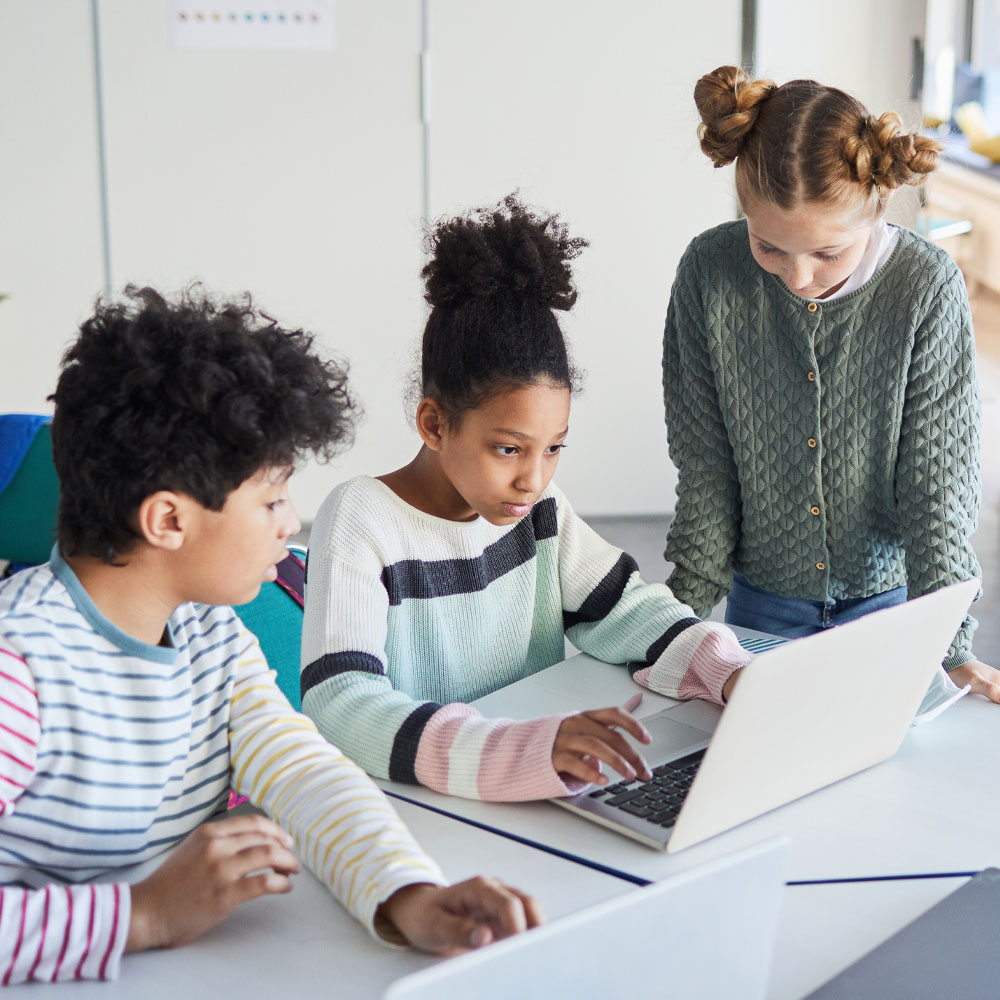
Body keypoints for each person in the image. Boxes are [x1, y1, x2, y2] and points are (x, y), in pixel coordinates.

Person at [0, 287, 540, 985]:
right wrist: (141, 915)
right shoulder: (20, 672)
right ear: (169, 521)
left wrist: (409, 895)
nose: (291, 524)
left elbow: (302, 772)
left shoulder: (208, 634)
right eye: (271, 499)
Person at [301, 195, 752, 803]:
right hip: (423, 806)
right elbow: (340, 703)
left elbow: (623, 608)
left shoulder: (538, 511)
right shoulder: (362, 518)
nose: (533, 479)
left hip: (531, 792)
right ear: (434, 425)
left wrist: (729, 671)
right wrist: (515, 750)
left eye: (554, 448)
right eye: (509, 449)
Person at [662, 65, 999, 701]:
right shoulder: (709, 273)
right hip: (759, 610)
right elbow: (704, 464)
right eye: (768, 247)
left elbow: (938, 484)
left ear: (877, 209)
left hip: (888, 611)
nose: (797, 278)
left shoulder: (925, 289)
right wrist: (678, 623)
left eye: (827, 254)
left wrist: (949, 646)